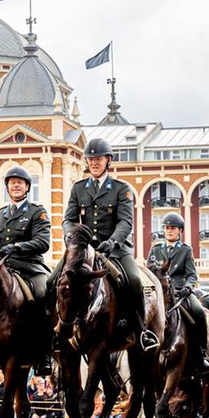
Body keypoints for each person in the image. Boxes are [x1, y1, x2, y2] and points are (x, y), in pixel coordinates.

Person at [60, 137, 146, 334]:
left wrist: (113, 241)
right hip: (84, 249)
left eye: (98, 159)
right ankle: (56, 329)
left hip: (115, 248)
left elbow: (126, 222)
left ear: (108, 160)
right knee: (53, 281)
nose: (94, 163)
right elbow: (68, 220)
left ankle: (140, 329)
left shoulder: (121, 189)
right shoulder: (79, 188)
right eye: (91, 159)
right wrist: (70, 237)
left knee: (134, 280)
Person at [0, 164, 54, 369]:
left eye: (20, 183)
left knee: (45, 295)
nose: (16, 186)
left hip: (30, 267)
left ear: (27, 187)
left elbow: (43, 243)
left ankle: (44, 352)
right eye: (12, 183)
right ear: (7, 187)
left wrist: (16, 247)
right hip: (2, 268)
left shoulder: (37, 212)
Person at [148, 212, 209, 373]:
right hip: (161, 292)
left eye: (173, 228)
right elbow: (149, 272)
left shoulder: (185, 250)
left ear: (180, 231)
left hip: (180, 291)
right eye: (167, 228)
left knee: (198, 311)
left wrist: (188, 287)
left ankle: (202, 353)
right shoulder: (155, 250)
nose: (169, 231)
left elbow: (192, 274)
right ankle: (144, 343)